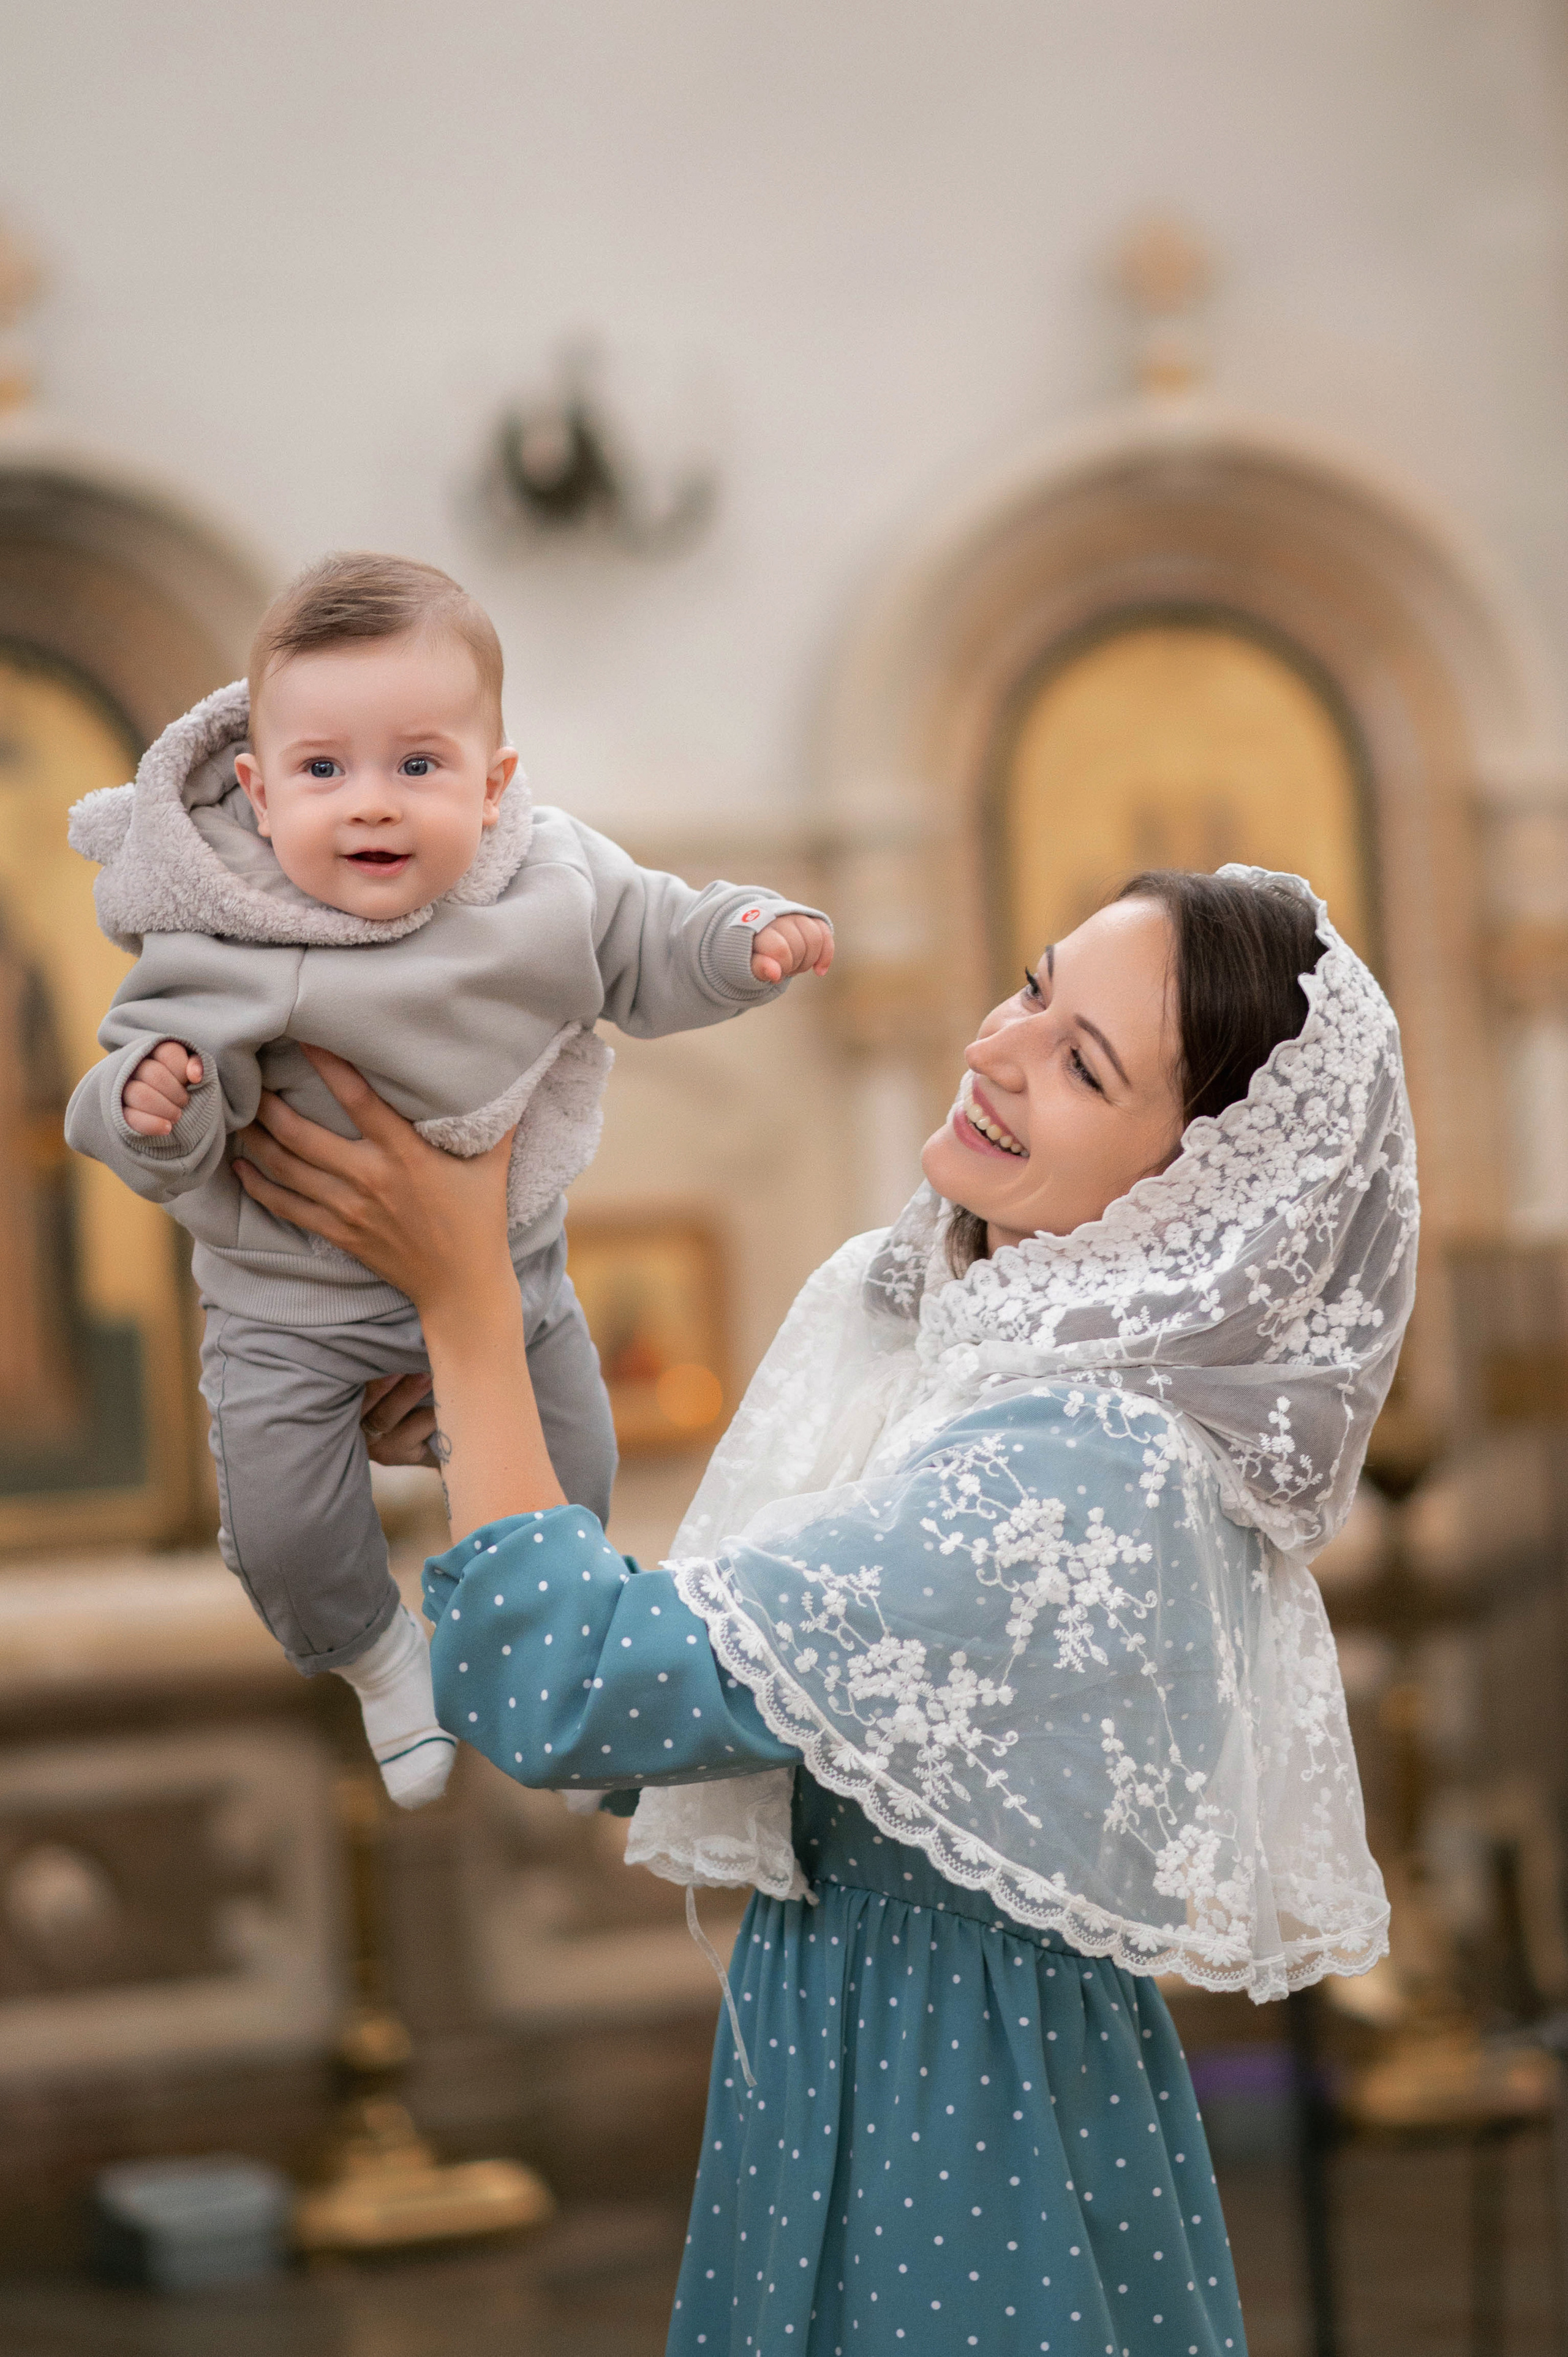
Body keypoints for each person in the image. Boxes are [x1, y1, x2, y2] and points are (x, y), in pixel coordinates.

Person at [229, 865, 1417, 2357]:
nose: (999, 1046)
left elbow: (579, 1691)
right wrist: (482, 1407)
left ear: (1202, 1193)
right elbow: (700, 1708)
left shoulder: (1086, 1458)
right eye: (1036, 987)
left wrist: (468, 1306)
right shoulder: (953, 1338)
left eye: (1081, 1063)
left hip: (961, 2127)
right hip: (865, 2064)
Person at [62, 552, 832, 1807]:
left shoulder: (548, 876)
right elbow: (133, 1093)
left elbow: (652, 939)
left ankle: (574, 1676)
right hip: (289, 1310)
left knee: (572, 1477)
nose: (371, 804)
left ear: (494, 784)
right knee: (284, 1531)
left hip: (510, 1279)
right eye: (323, 770)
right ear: (256, 792)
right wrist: (157, 1100)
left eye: (417, 765)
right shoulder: (224, 926)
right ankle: (376, 1658)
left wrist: (743, 942)